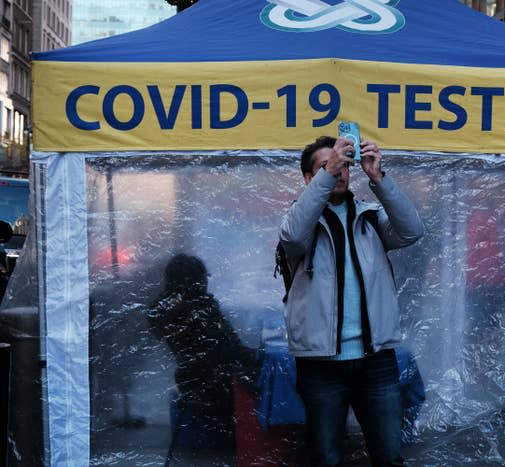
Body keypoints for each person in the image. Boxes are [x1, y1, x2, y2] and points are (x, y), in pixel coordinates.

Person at [278, 136, 424, 466]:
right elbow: (291, 238)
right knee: (326, 457)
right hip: (321, 364)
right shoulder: (299, 221)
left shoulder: (370, 218)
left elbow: (413, 230)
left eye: (343, 165)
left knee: (388, 455)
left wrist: (378, 178)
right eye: (326, 167)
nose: (338, 172)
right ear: (308, 178)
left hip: (375, 359)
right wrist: (324, 178)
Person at [147, 254, 259, 461]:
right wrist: (261, 356)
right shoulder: (201, 308)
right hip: (214, 382)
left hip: (190, 380)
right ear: (195, 280)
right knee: (273, 378)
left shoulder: (164, 308)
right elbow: (231, 347)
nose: (207, 282)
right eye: (203, 278)